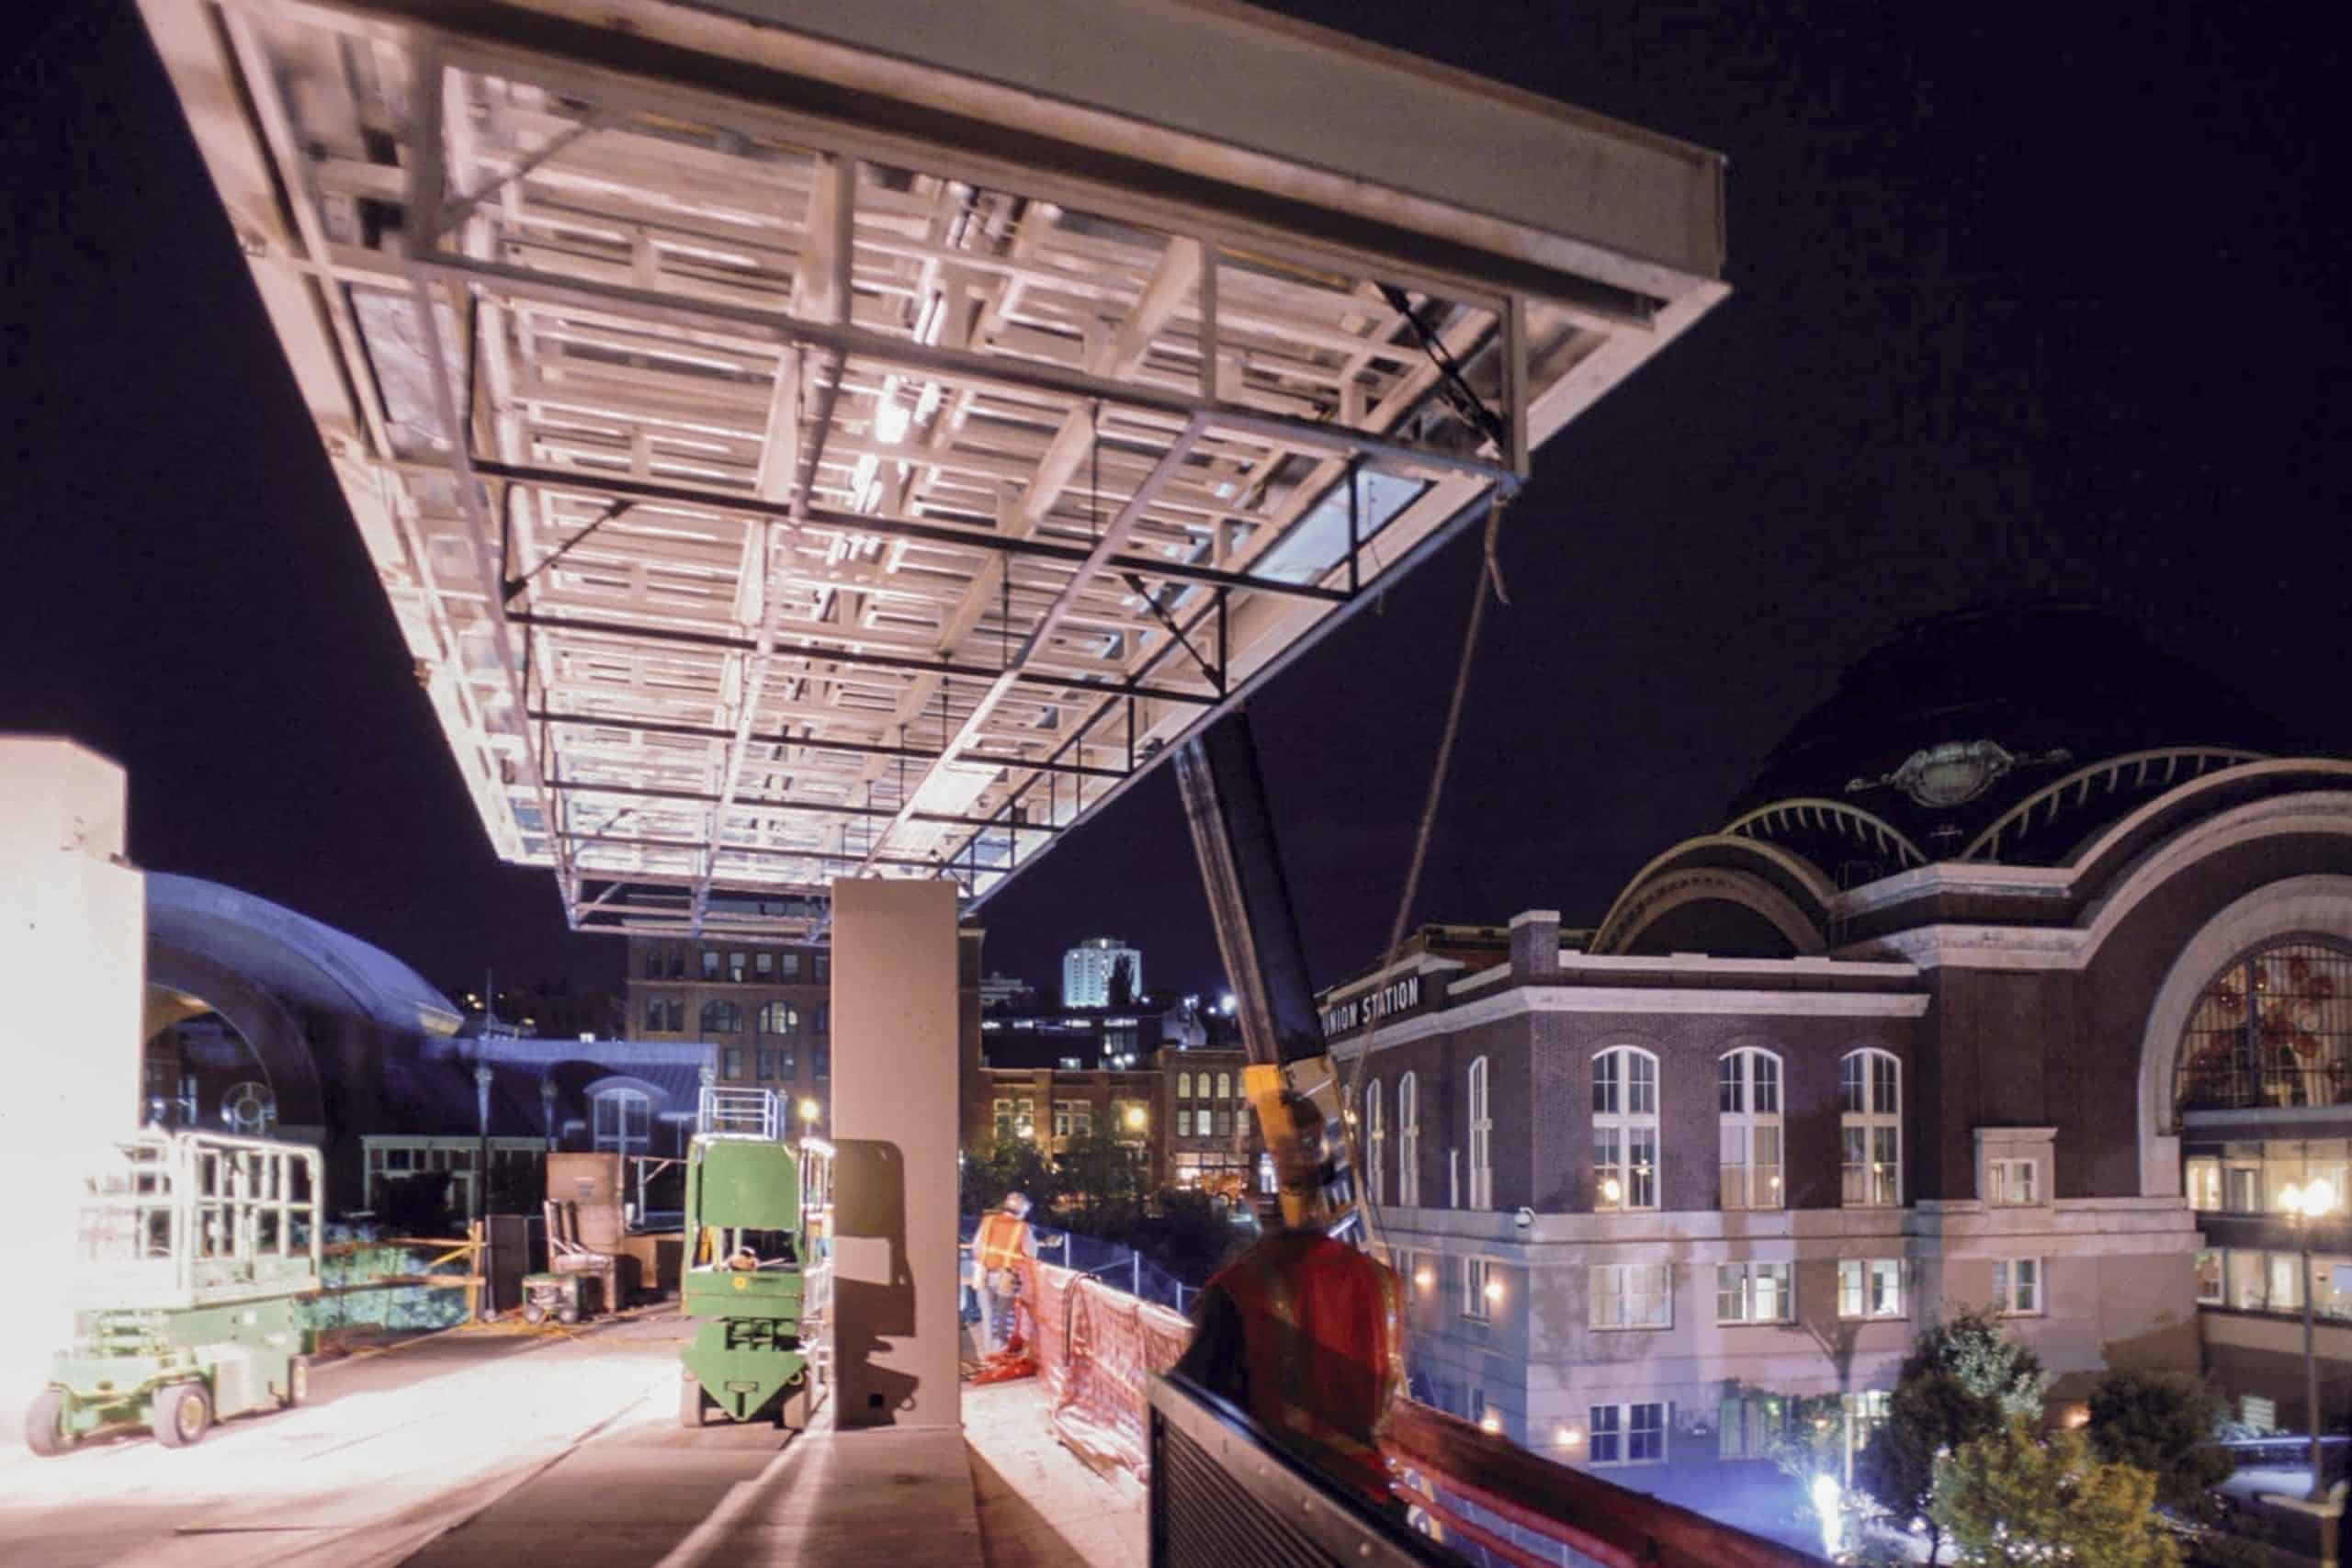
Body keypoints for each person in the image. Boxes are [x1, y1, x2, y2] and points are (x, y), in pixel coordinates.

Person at [1171, 1090, 1406, 1507]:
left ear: (1259, 1183)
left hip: (1283, 1510)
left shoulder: (1238, 1290)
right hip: (1371, 1509)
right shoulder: (1382, 1282)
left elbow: (1186, 1415)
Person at [971, 1190, 1038, 1355]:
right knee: (1002, 1318)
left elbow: (976, 1247)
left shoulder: (988, 1221)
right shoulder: (1022, 1228)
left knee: (987, 1317)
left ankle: (987, 1353)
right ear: (1022, 1210)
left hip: (983, 1274)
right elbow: (1031, 1254)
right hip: (1006, 1278)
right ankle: (999, 1352)